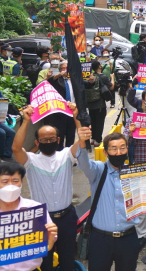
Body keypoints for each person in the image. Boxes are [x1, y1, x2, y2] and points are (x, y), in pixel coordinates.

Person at [11, 104, 80, 271]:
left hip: (67, 217)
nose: (48, 142)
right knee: (44, 262)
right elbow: (15, 148)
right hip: (40, 218)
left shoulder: (66, 156)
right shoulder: (30, 160)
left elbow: (82, 140)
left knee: (68, 260)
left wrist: (76, 116)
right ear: (37, 142)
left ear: (58, 140)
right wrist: (26, 121)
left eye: (51, 139)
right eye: (44, 140)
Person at [76, 130, 142, 271]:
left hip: (128, 237)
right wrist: (82, 143)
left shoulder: (135, 173)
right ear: (106, 152)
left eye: (122, 148)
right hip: (100, 239)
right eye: (113, 148)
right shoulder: (98, 171)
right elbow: (84, 163)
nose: (119, 152)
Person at [0, 162, 58, 271]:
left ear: (22, 182)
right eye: (5, 181)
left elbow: (47, 247)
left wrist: (50, 236)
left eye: (15, 181)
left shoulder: (35, 209)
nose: (10, 186)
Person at [84, 60, 114, 148]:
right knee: (99, 122)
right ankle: (98, 140)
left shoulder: (90, 77)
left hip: (90, 104)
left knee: (92, 121)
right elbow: (111, 87)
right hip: (100, 104)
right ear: (99, 66)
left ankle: (93, 139)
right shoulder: (102, 77)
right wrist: (112, 78)